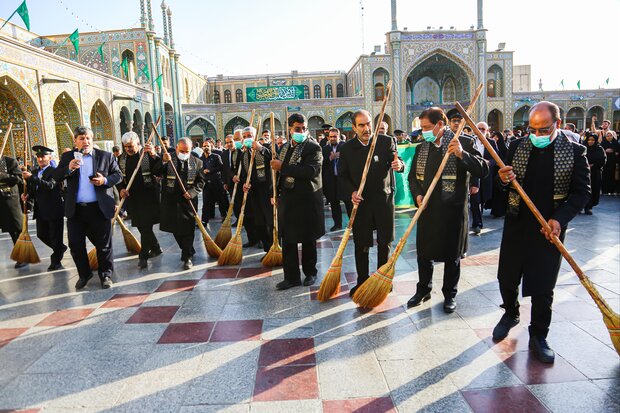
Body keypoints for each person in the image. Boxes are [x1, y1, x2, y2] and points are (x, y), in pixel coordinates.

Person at [492, 101, 590, 363]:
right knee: (507, 277)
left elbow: (582, 193)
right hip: (517, 224)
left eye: (543, 130)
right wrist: (501, 180)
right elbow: (501, 185)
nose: (536, 136)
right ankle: (511, 312)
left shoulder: (574, 151)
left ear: (557, 124)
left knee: (543, 286)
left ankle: (539, 334)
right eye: (532, 129)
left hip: (549, 229)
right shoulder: (517, 147)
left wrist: (559, 219)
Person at [407, 107, 488, 313]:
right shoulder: (422, 147)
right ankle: (423, 289)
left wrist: (461, 154)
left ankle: (450, 294)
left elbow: (483, 169)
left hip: (452, 211)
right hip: (427, 210)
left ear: (440, 124)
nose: (423, 131)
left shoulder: (464, 142)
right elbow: (413, 179)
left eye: (426, 127)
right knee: (424, 254)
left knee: (453, 256)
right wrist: (417, 195)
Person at [338, 110, 404, 297]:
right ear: (354, 128)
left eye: (368, 124)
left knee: (385, 242)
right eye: (361, 125)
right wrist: (351, 192)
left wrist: (399, 165)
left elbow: (397, 161)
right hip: (361, 204)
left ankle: (382, 279)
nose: (367, 129)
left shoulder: (385, 141)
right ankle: (362, 280)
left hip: (384, 200)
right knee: (362, 244)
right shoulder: (347, 148)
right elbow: (342, 176)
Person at [54, 126, 122, 289]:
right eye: (81, 138)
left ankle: (106, 275)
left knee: (104, 245)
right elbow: (56, 176)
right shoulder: (68, 157)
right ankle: (84, 274)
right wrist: (68, 168)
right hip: (76, 210)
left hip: (99, 208)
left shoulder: (105, 156)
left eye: (88, 138)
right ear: (75, 141)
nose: (85, 141)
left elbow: (118, 175)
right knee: (75, 244)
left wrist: (104, 181)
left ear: (92, 140)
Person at [271, 113, 325, 290]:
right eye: (297, 129)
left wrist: (283, 167)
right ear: (289, 129)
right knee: (289, 240)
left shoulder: (313, 147)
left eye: (303, 128)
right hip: (288, 200)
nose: (301, 131)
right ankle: (291, 277)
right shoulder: (285, 148)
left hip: (307, 200)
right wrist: (275, 193)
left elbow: (311, 171)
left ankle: (310, 273)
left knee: (308, 238)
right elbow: (279, 174)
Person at [156, 137, 205, 270]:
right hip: (170, 199)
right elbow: (156, 172)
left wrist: (192, 192)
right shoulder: (168, 158)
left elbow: (201, 182)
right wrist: (163, 162)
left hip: (187, 201)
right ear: (177, 148)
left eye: (187, 151)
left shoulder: (197, 162)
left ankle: (187, 256)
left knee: (188, 229)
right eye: (182, 151)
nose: (184, 153)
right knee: (175, 229)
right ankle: (187, 249)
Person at [117, 132, 162, 269]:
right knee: (142, 226)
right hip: (133, 197)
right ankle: (156, 247)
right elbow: (118, 177)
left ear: (138, 143)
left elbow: (159, 171)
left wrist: (154, 155)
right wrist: (121, 189)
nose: (128, 149)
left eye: (130, 146)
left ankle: (143, 256)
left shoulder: (147, 154)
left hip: (148, 195)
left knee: (146, 225)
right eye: (125, 147)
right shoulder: (121, 158)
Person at [21, 145, 66, 271]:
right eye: (38, 157)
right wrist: (27, 195)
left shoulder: (55, 171)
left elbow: (49, 185)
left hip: (54, 209)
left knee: (55, 236)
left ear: (49, 157)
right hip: (40, 210)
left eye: (43, 156)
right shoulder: (35, 172)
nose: (40, 159)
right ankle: (60, 248)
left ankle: (56, 260)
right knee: (42, 235)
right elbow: (33, 190)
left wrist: (31, 178)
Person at [236, 126, 273, 252]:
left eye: (249, 136)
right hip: (254, 193)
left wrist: (260, 148)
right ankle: (267, 249)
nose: (247, 138)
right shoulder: (244, 154)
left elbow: (275, 160)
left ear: (256, 136)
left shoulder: (267, 148)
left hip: (268, 191)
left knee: (270, 222)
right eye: (245, 136)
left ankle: (275, 247)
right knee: (260, 222)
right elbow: (245, 175)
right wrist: (245, 184)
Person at [469, 121, 498, 235]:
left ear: (487, 131)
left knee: (482, 199)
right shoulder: (471, 141)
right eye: (478, 128)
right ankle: (477, 224)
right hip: (473, 175)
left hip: (485, 175)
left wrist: (487, 163)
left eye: (483, 129)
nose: (480, 131)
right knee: (475, 199)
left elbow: (495, 158)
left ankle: (478, 218)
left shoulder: (491, 142)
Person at [0, 149, 26, 268]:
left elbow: (18, 179)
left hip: (9, 200)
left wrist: (3, 176)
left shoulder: (9, 161)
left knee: (16, 229)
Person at [322, 127, 348, 231]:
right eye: (331, 137)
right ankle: (337, 224)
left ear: (339, 136)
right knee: (334, 203)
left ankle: (353, 224)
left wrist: (341, 156)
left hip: (344, 180)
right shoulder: (325, 149)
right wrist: (330, 158)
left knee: (348, 202)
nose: (333, 138)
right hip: (331, 181)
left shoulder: (345, 147)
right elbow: (322, 164)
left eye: (335, 136)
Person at [200, 142, 229, 224]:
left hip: (216, 182)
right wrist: (203, 171)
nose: (206, 147)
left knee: (221, 200)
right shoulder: (201, 158)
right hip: (206, 183)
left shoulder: (216, 156)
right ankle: (204, 220)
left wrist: (210, 170)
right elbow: (199, 169)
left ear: (211, 147)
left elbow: (220, 167)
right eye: (204, 146)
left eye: (207, 146)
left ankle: (224, 216)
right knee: (206, 202)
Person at [583, 132, 606, 214]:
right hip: (584, 173)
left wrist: (594, 165)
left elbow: (603, 160)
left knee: (594, 189)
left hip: (595, 173)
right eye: (589, 140)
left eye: (592, 140)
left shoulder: (599, 149)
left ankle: (589, 207)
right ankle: (581, 206)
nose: (590, 142)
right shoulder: (583, 148)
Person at [488, 131, 509, 218]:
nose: (495, 138)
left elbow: (507, 159)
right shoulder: (492, 147)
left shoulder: (504, 148)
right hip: (494, 173)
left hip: (502, 173)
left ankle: (501, 211)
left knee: (501, 193)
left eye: (497, 137)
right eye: (494, 136)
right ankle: (495, 211)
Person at [600, 130, 619, 195]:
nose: (609, 137)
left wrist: (614, 151)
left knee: (612, 176)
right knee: (605, 176)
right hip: (605, 163)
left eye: (610, 135)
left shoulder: (616, 143)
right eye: (607, 136)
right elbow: (601, 151)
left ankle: (612, 191)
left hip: (613, 163)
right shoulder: (603, 143)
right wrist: (605, 151)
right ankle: (604, 190)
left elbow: (617, 150)